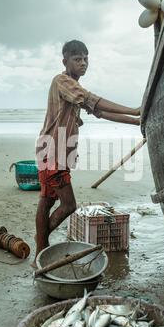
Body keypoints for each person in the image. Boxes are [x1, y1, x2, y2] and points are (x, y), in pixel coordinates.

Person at [33, 40, 141, 267]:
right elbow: (94, 100)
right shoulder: (63, 81)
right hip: (54, 152)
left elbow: (100, 111)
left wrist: (137, 121)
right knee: (68, 205)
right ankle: (40, 241)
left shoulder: (73, 90)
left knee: (46, 201)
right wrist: (134, 109)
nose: (83, 63)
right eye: (77, 59)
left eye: (85, 59)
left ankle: (39, 253)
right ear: (65, 62)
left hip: (50, 150)